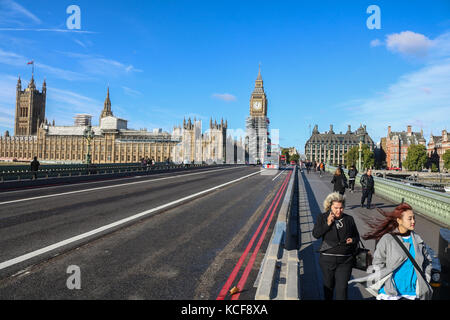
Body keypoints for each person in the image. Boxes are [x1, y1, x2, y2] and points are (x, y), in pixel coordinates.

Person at [348, 203, 434, 300]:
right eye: (409, 219)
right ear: (399, 220)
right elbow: (377, 263)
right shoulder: (387, 239)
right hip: (391, 293)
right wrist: (386, 283)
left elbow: (428, 261)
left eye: (414, 218)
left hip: (413, 293)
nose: (413, 221)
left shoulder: (418, 240)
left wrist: (425, 278)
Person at [312, 192, 360, 300]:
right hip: (327, 259)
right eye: (336, 208)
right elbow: (316, 234)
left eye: (341, 208)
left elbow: (357, 237)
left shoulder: (349, 219)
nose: (339, 211)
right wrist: (327, 224)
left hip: (345, 260)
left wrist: (352, 240)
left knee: (342, 289)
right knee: (328, 287)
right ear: (330, 207)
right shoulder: (322, 217)